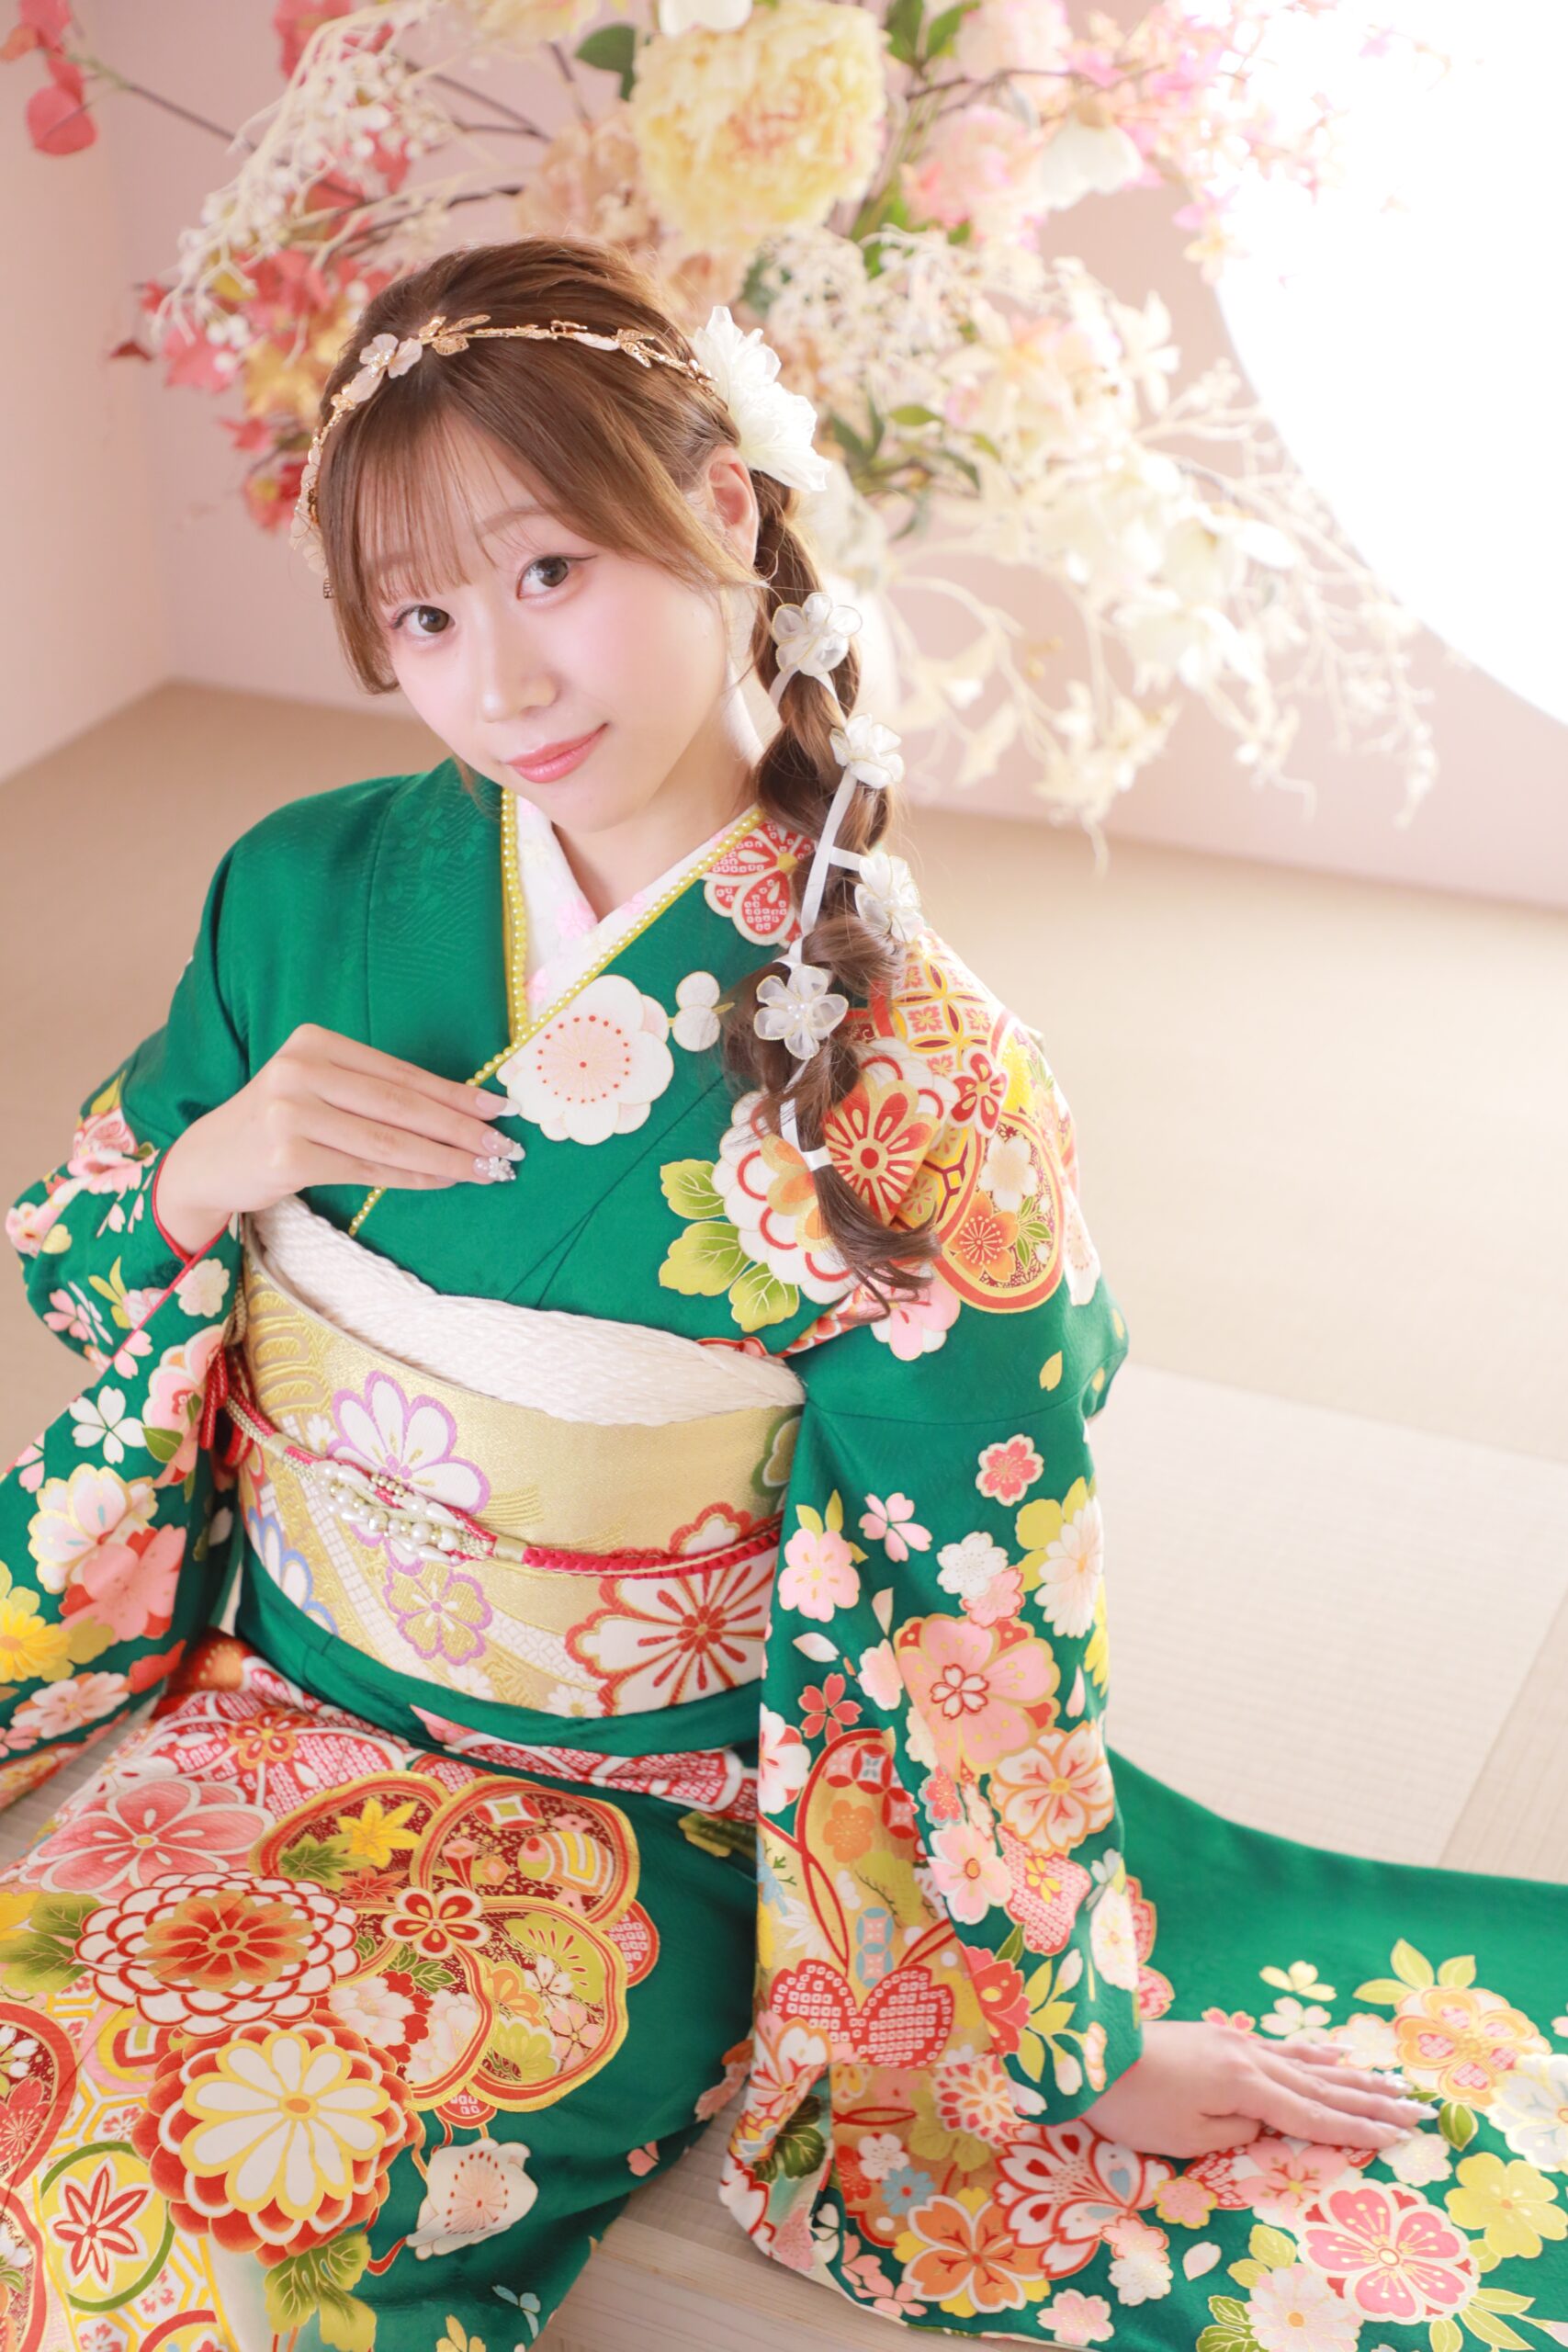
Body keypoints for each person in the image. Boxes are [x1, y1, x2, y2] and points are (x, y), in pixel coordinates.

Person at [1, 235, 1563, 2351]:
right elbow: (80, 1259)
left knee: (175, 2241)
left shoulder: (915, 1078)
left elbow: (978, 1584)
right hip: (259, 1687)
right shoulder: (306, 891)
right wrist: (208, 1166)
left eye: (551, 570)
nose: (499, 681)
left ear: (721, 509)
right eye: (425, 617)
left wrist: (1078, 2036)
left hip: (611, 1824)